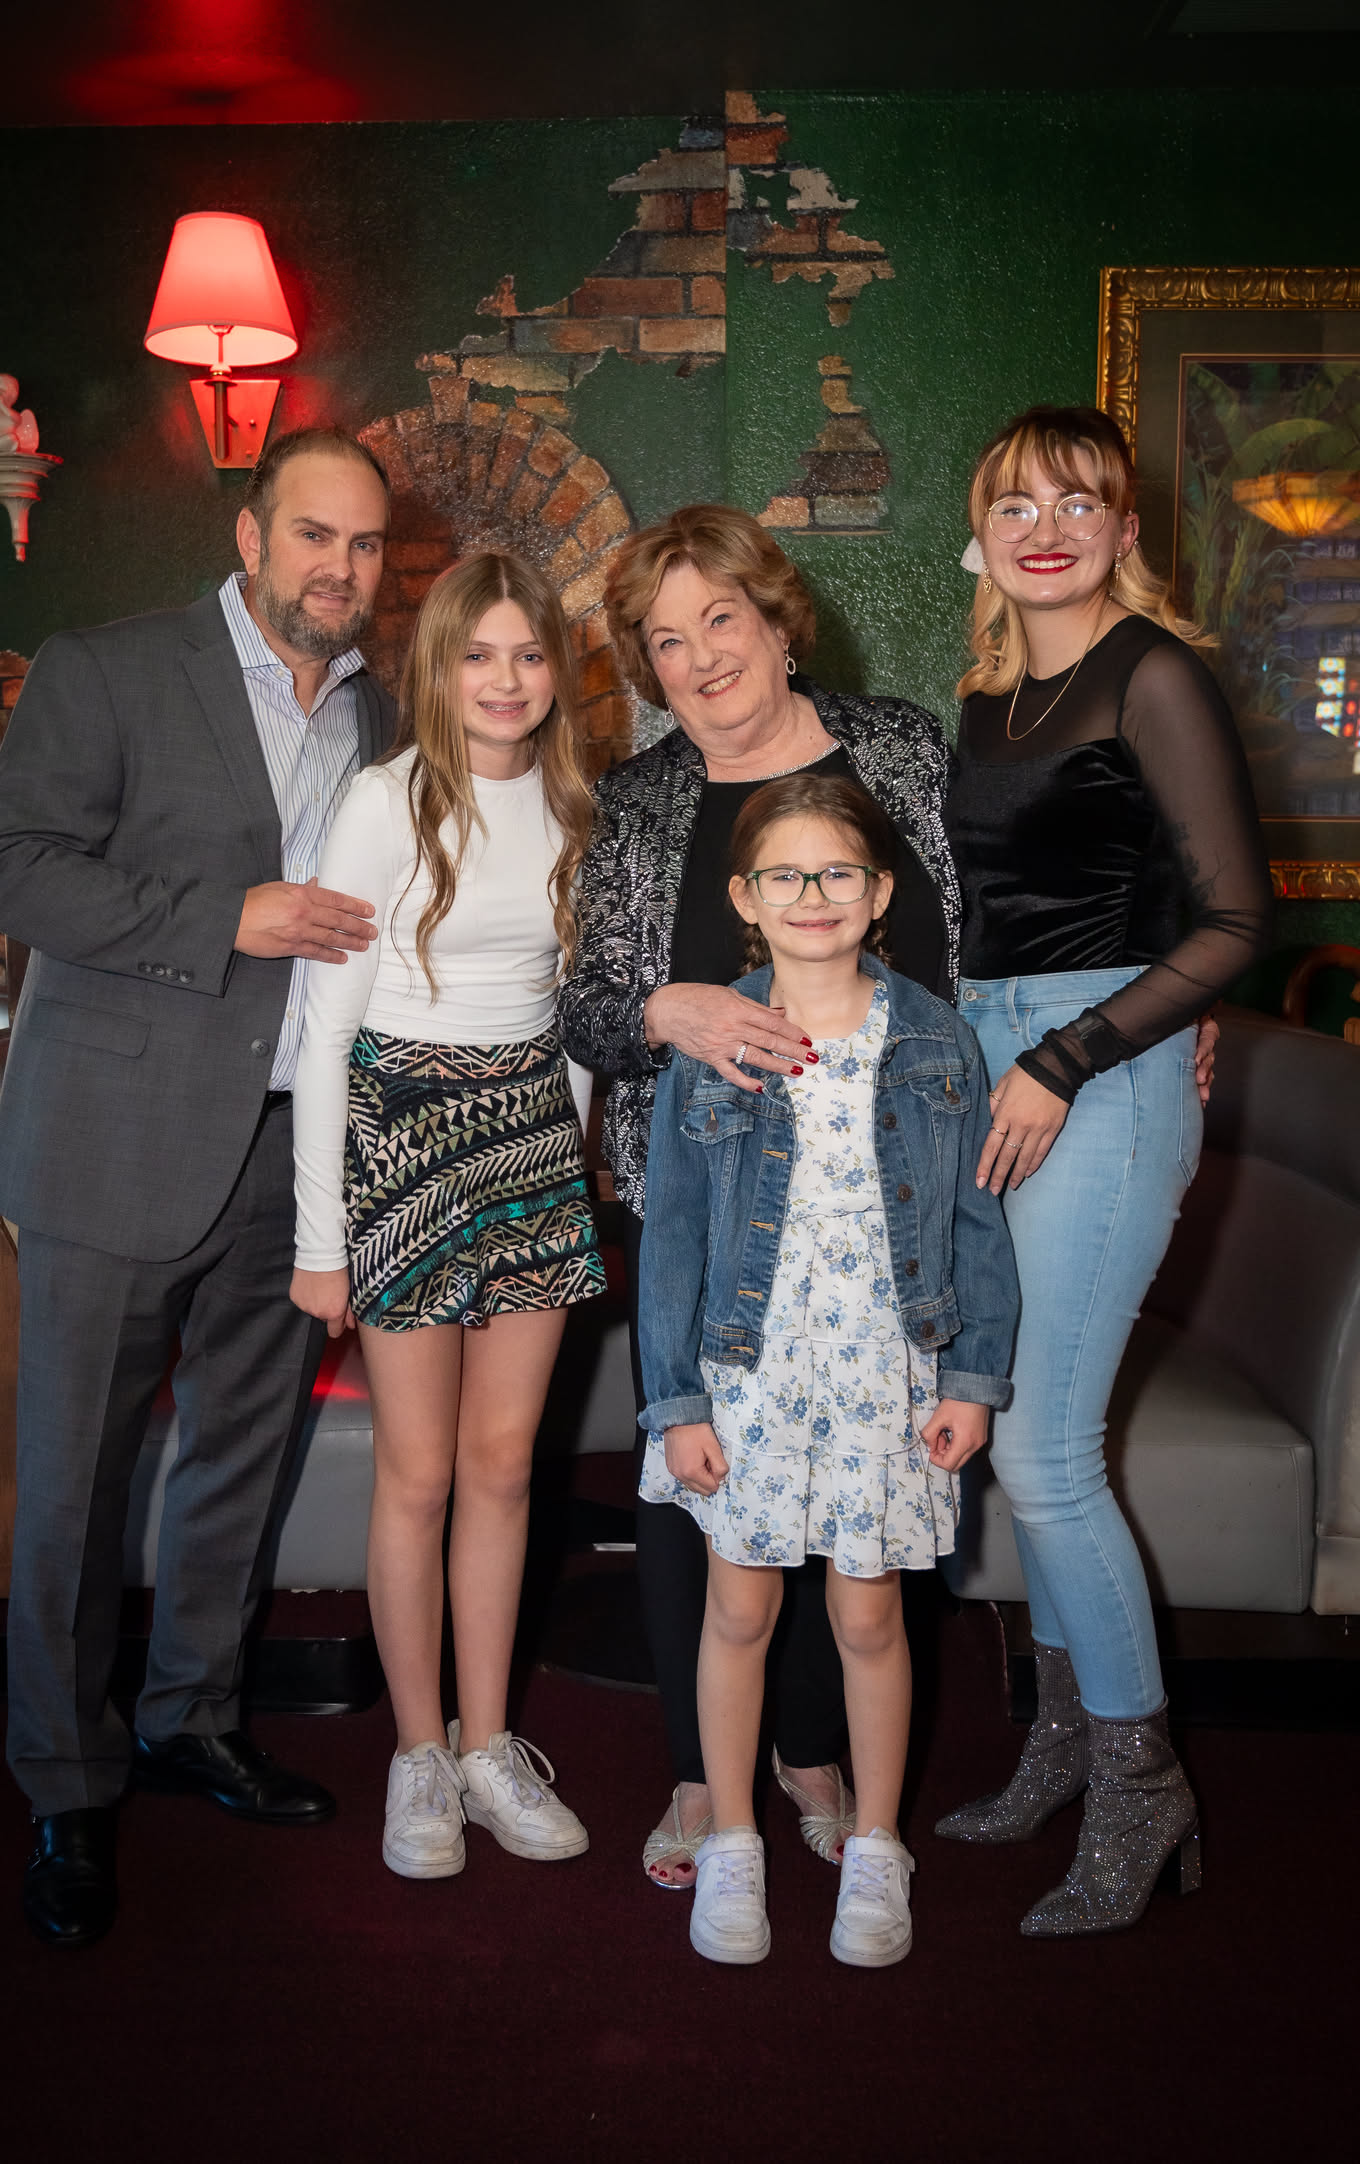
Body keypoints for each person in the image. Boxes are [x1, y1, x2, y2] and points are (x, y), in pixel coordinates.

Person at [0, 425, 398, 1948]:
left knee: (242, 1460)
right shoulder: (108, 667)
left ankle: (192, 1717)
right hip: (113, 1142)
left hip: (292, 1153)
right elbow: (7, 871)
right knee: (75, 1485)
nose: (339, 568)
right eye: (313, 535)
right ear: (251, 535)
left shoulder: (384, 712)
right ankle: (66, 1781)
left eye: (364, 544)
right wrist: (229, 914)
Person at [557, 504, 962, 1889]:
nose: (701, 657)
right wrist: (662, 1009)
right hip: (705, 1207)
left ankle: (813, 1751)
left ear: (779, 623)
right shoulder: (641, 800)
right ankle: (701, 1769)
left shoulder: (899, 750)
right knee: (701, 1483)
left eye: (719, 618)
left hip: (886, 1198)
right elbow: (588, 1006)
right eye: (666, 641)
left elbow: (985, 946)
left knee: (856, 1493)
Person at [935, 404, 1270, 1934]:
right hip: (1000, 1069)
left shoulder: (1154, 674)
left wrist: (1070, 1055)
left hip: (1101, 1079)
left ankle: (1142, 1782)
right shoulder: (991, 697)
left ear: (1126, 531)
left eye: (1079, 502)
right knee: (1021, 1441)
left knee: (1048, 1454)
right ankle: (1070, 1740)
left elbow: (1236, 921)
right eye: (1018, 503)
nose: (1047, 528)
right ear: (983, 534)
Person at [638, 772, 1017, 1964]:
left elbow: (976, 1221)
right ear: (746, 897)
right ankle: (733, 1840)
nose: (814, 894)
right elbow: (674, 1235)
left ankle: (879, 1845)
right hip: (747, 1376)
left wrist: (973, 1380)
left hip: (882, 1379)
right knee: (738, 1609)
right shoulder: (713, 1040)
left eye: (839, 871)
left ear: (881, 891)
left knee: (868, 1616)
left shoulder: (936, 1039)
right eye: (786, 874)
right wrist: (676, 1402)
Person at [290, 551, 606, 1882]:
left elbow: (574, 1022)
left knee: (504, 1465)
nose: (505, 678)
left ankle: (488, 1744)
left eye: (527, 653)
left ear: (557, 670)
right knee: (417, 1473)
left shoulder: (578, 805)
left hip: (530, 1140)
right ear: (439, 668)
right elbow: (324, 1035)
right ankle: (418, 1752)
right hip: (404, 1139)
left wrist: (566, 1167)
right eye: (478, 654)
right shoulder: (385, 800)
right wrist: (322, 1242)